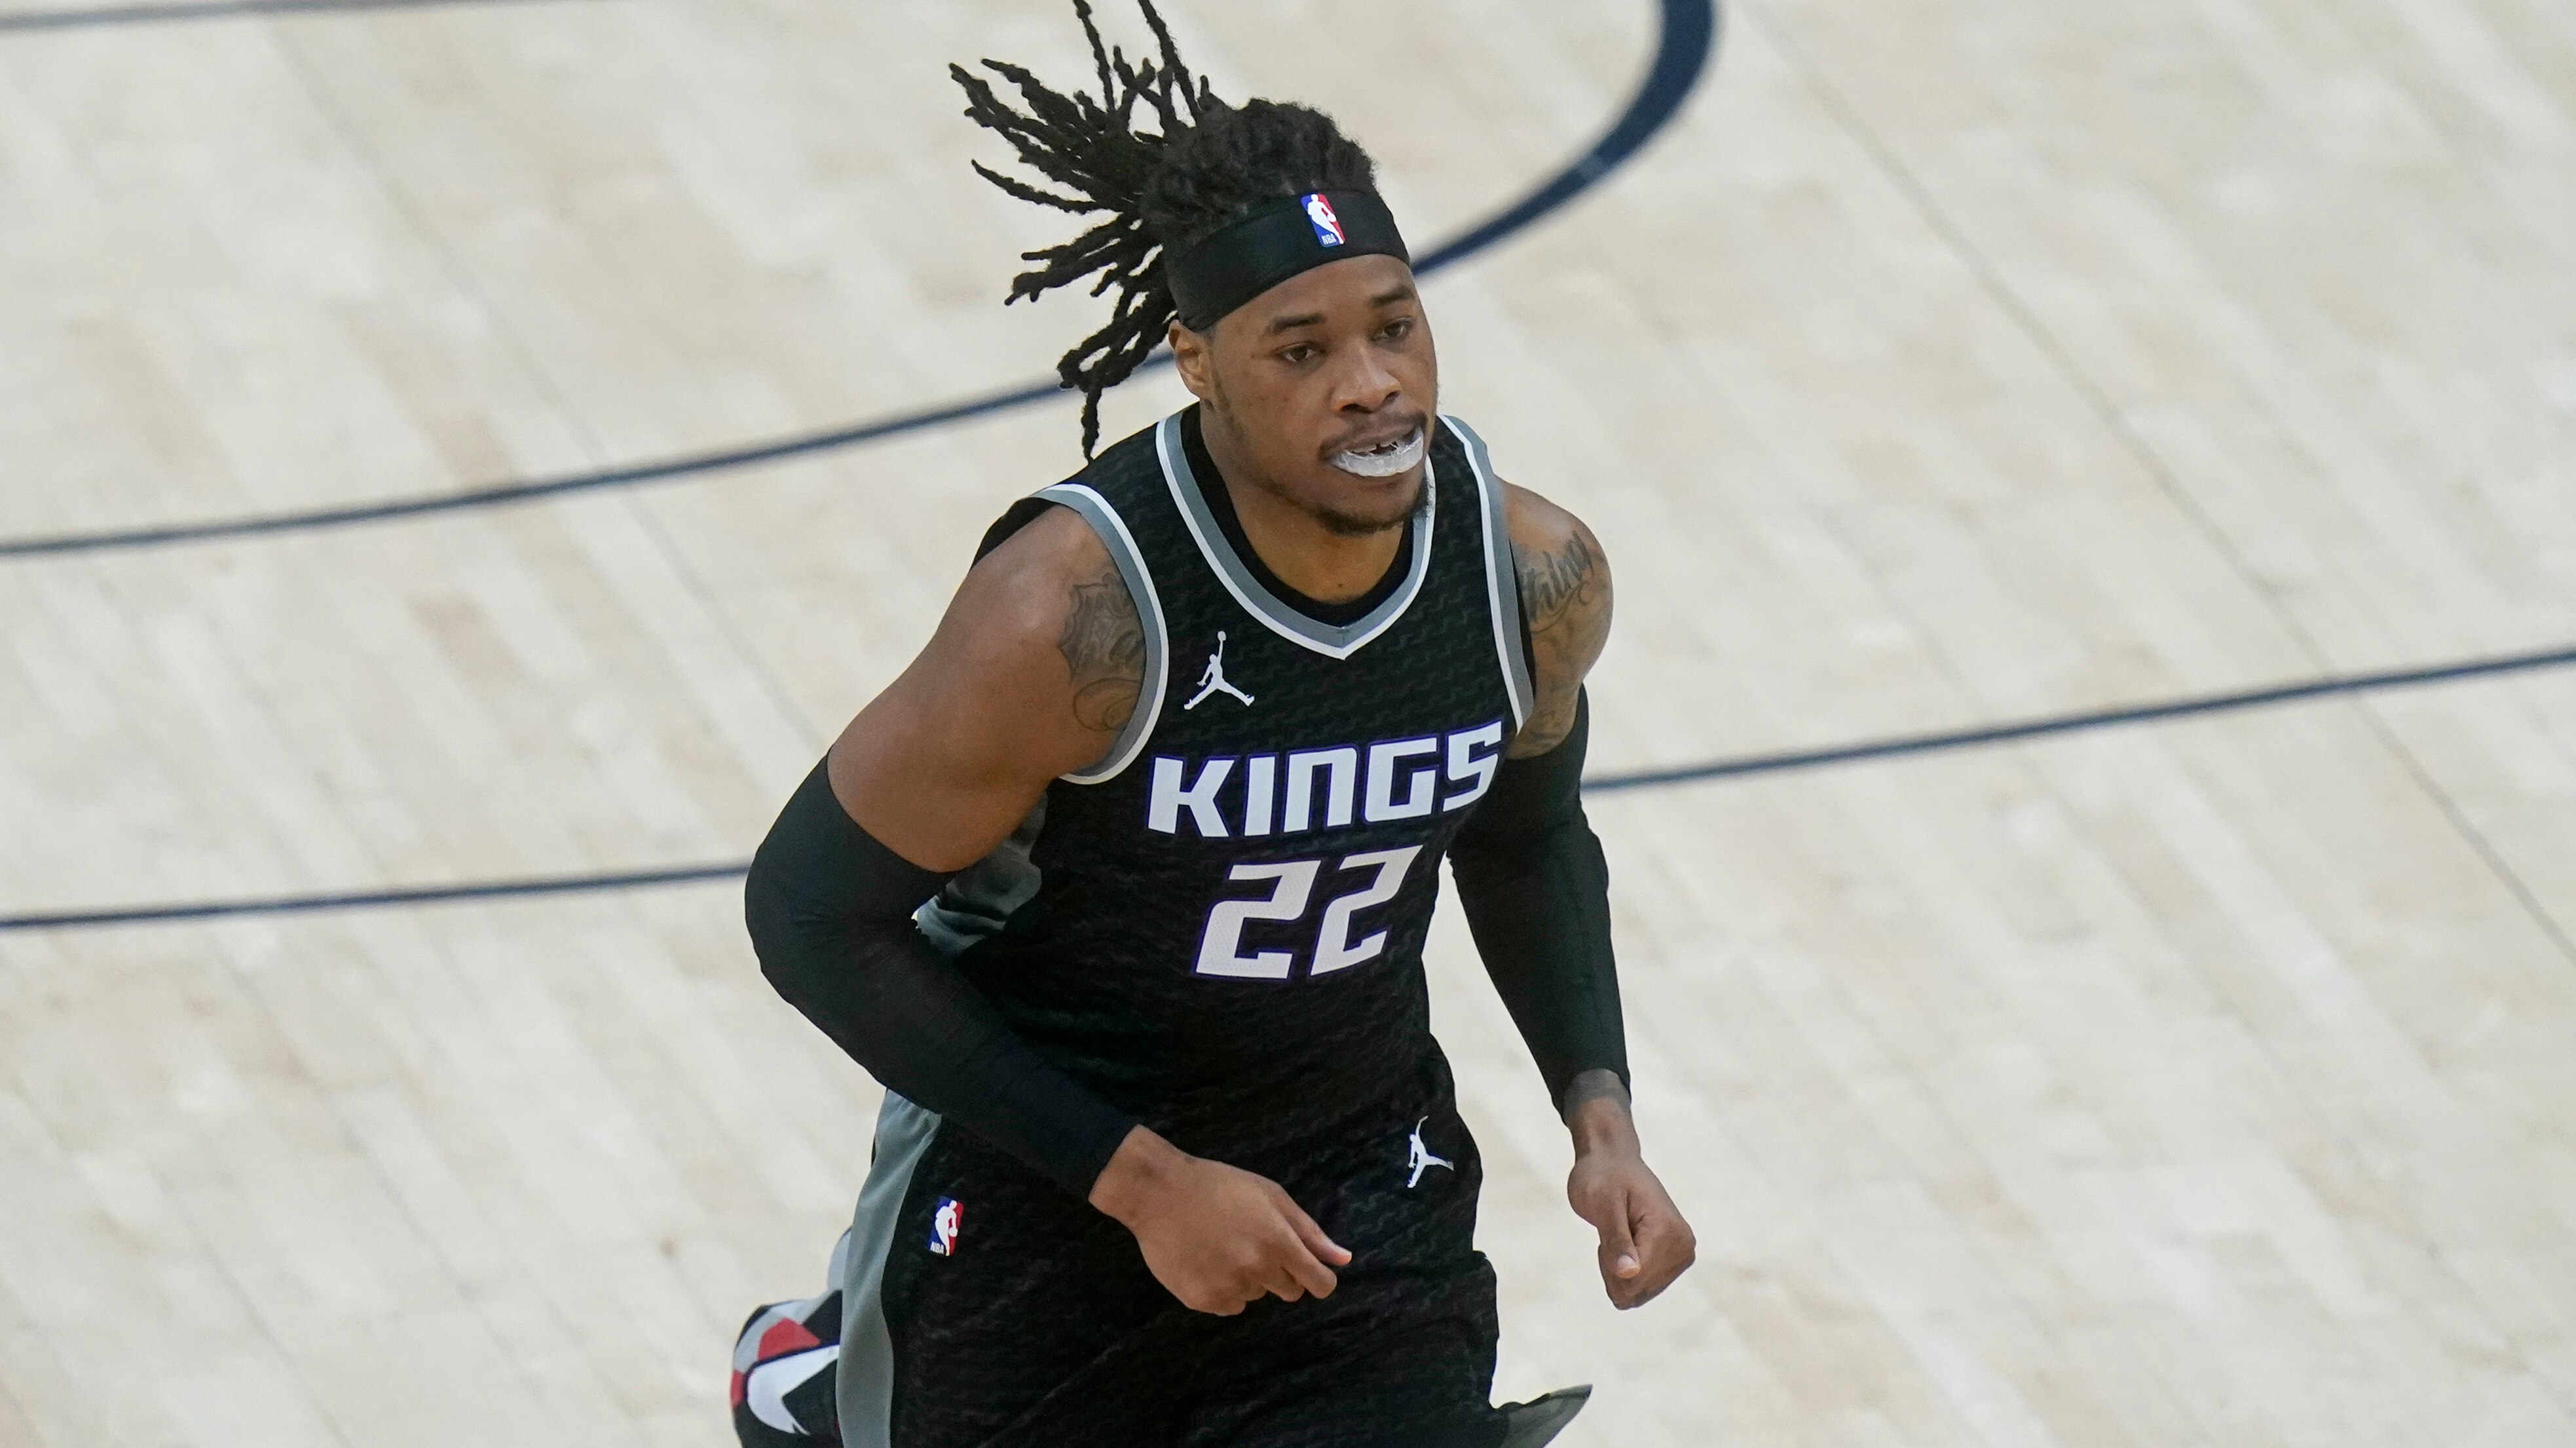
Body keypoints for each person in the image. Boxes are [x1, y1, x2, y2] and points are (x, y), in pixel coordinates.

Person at [730, 5, 1693, 1444]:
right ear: (1193, 360)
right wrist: (1144, 1181)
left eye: (1392, 326)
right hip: (1052, 1178)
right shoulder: (1067, 622)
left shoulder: (1528, 575)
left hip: (1358, 1172)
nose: (1369, 383)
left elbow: (1527, 834)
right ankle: (813, 1387)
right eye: (1298, 351)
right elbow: (809, 914)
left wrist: (1597, 1110)